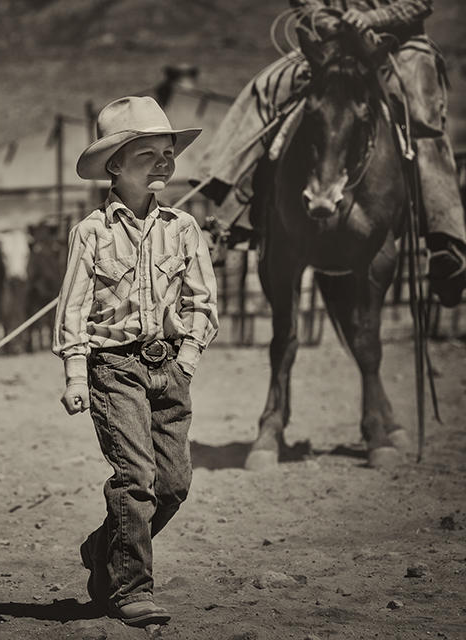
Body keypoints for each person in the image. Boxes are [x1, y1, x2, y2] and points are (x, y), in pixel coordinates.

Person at [53, 96, 219, 626]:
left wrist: (187, 358)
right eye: (148, 154)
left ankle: (103, 547)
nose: (164, 163)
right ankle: (131, 588)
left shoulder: (184, 227)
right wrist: (76, 374)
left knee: (173, 485)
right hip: (113, 367)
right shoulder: (91, 233)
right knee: (136, 477)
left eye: (168, 153)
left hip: (168, 366)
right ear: (115, 166)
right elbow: (73, 309)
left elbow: (203, 301)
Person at [193, 0, 466, 307]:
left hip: (399, 45)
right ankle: (227, 215)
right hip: (335, 44)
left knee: (420, 111)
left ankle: (445, 238)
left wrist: (372, 18)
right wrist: (323, 17)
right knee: (268, 86)